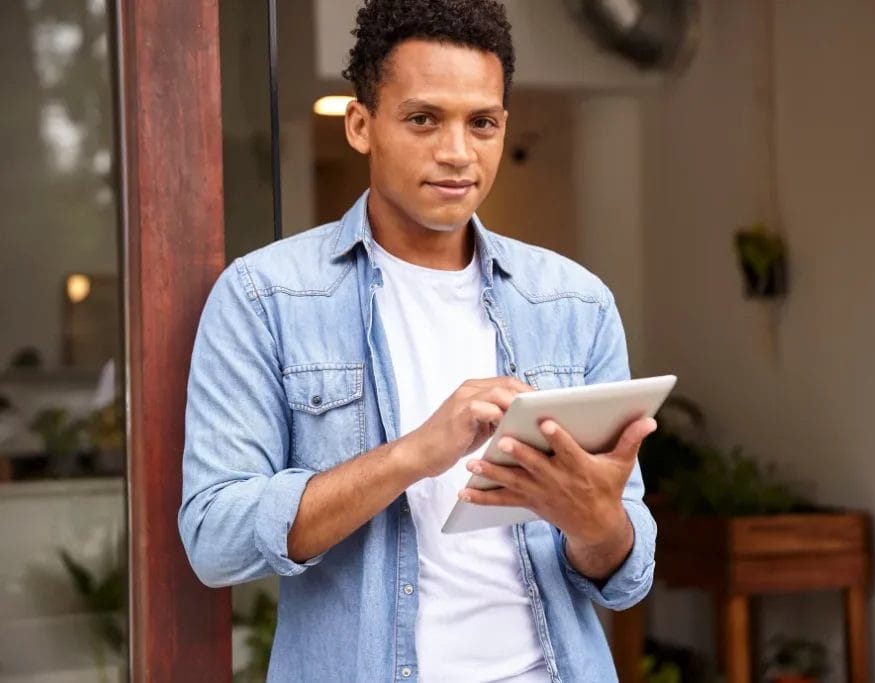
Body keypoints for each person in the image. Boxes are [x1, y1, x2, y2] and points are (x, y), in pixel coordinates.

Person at [178, 0, 657, 680]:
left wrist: (594, 519)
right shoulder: (265, 297)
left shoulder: (575, 304)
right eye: (424, 118)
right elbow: (216, 539)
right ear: (361, 125)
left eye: (481, 123)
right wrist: (413, 453)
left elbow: (624, 572)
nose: (458, 152)